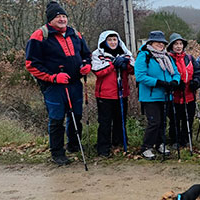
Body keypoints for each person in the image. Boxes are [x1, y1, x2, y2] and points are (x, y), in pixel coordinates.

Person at [25, 1, 92, 165]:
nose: (62, 19)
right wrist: (53, 77)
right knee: (56, 119)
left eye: (64, 16)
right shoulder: (40, 35)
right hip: (53, 87)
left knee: (76, 116)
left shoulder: (75, 34)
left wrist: (86, 65)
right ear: (50, 19)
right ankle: (57, 153)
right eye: (58, 17)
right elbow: (31, 64)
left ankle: (74, 145)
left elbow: (86, 54)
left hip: (75, 83)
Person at [134, 31, 181, 159]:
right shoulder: (144, 56)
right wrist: (158, 83)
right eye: (158, 42)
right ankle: (146, 147)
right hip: (150, 96)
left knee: (162, 122)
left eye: (162, 43)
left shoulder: (167, 56)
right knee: (154, 122)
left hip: (166, 95)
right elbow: (140, 76)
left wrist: (175, 81)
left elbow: (175, 72)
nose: (161, 44)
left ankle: (160, 143)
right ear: (151, 43)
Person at [90, 30, 134, 157]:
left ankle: (118, 142)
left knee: (120, 120)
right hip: (105, 94)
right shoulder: (98, 54)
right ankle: (103, 147)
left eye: (115, 39)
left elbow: (133, 69)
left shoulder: (125, 53)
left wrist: (126, 65)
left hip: (121, 93)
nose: (113, 42)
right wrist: (113, 65)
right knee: (105, 122)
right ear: (104, 41)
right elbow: (98, 71)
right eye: (110, 40)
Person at [167, 33, 200, 149]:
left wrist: (195, 82)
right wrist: (174, 84)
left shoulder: (189, 58)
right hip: (174, 96)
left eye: (180, 44)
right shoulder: (167, 59)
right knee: (174, 120)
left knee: (188, 118)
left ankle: (186, 139)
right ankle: (175, 140)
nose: (178, 46)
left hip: (189, 94)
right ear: (171, 45)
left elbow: (197, 72)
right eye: (176, 44)